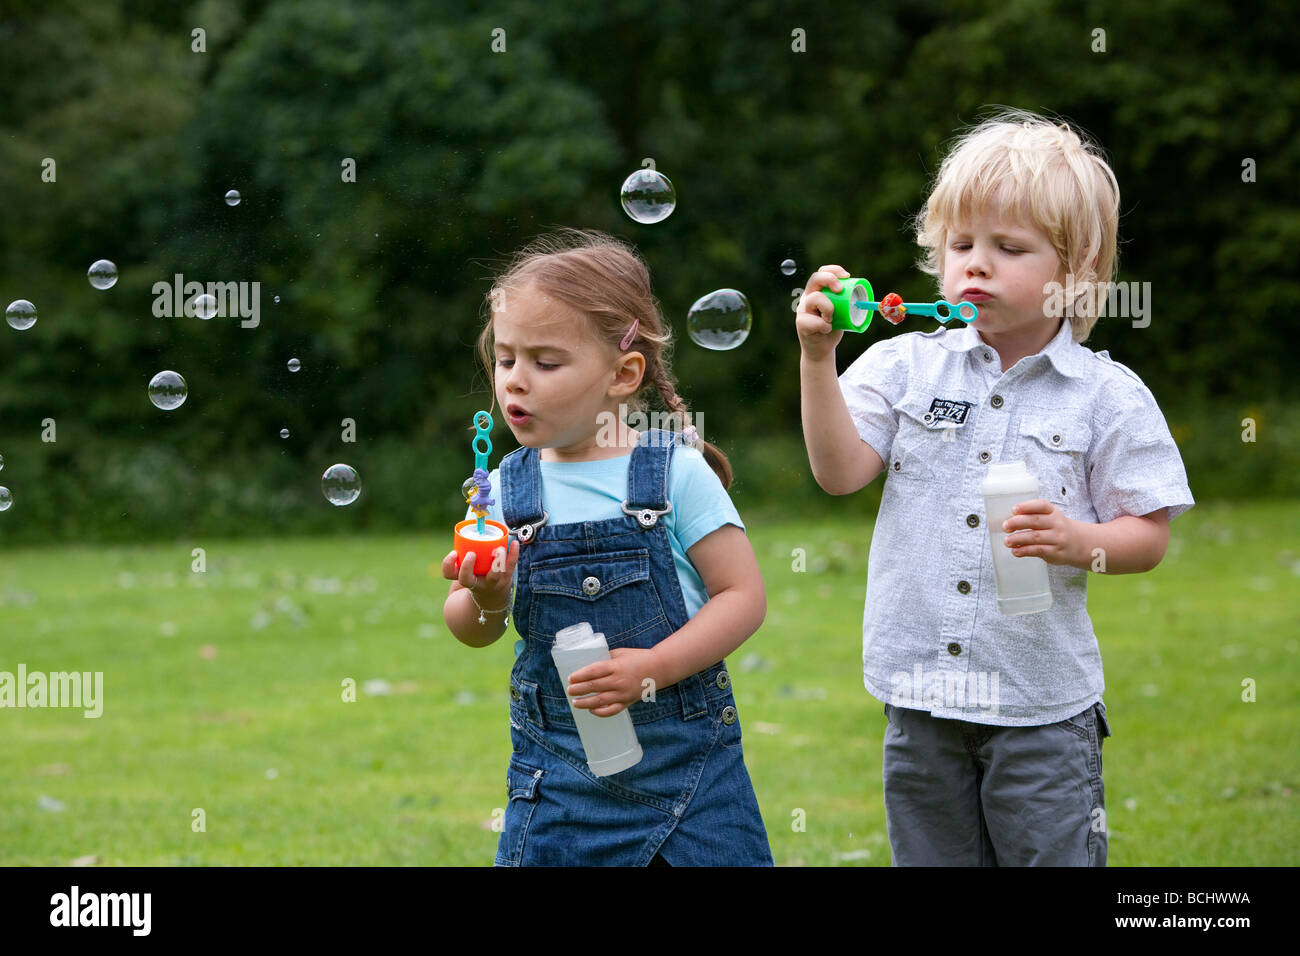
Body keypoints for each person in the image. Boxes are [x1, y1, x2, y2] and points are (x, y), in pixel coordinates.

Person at [795, 109, 1194, 865]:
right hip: (920, 697)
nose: (976, 264)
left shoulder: (1106, 396)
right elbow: (838, 471)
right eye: (960, 245)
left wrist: (1081, 543)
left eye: (1008, 248)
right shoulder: (904, 364)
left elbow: (1148, 535)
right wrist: (820, 360)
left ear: (1072, 271)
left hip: (1039, 708)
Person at [442, 229, 772, 866]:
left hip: (690, 771)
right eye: (506, 359)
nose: (516, 382)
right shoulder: (507, 487)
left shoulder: (674, 473)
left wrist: (652, 670)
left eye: (545, 362)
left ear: (622, 374)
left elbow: (744, 597)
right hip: (558, 781)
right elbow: (473, 627)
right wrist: (486, 596)